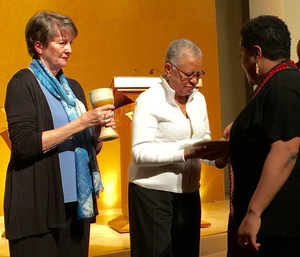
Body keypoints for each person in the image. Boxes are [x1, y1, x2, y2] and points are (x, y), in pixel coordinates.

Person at [4, 11, 116, 257]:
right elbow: (23, 145)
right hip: (37, 207)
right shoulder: (22, 84)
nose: (69, 50)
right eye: (61, 42)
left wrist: (96, 130)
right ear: (38, 46)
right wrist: (81, 122)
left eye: (71, 43)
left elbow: (89, 148)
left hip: (76, 204)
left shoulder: (73, 87)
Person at [128, 39, 228, 257]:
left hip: (189, 195)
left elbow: (203, 142)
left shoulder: (198, 100)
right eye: (188, 74)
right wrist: (185, 153)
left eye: (199, 74)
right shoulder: (149, 100)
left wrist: (217, 158)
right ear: (168, 69)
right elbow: (139, 153)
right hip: (152, 196)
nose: (194, 81)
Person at [226, 15, 300, 257]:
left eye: (241, 54)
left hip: (274, 226)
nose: (242, 62)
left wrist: (253, 213)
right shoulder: (279, 84)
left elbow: (286, 151)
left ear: (256, 53)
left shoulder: (282, 85)